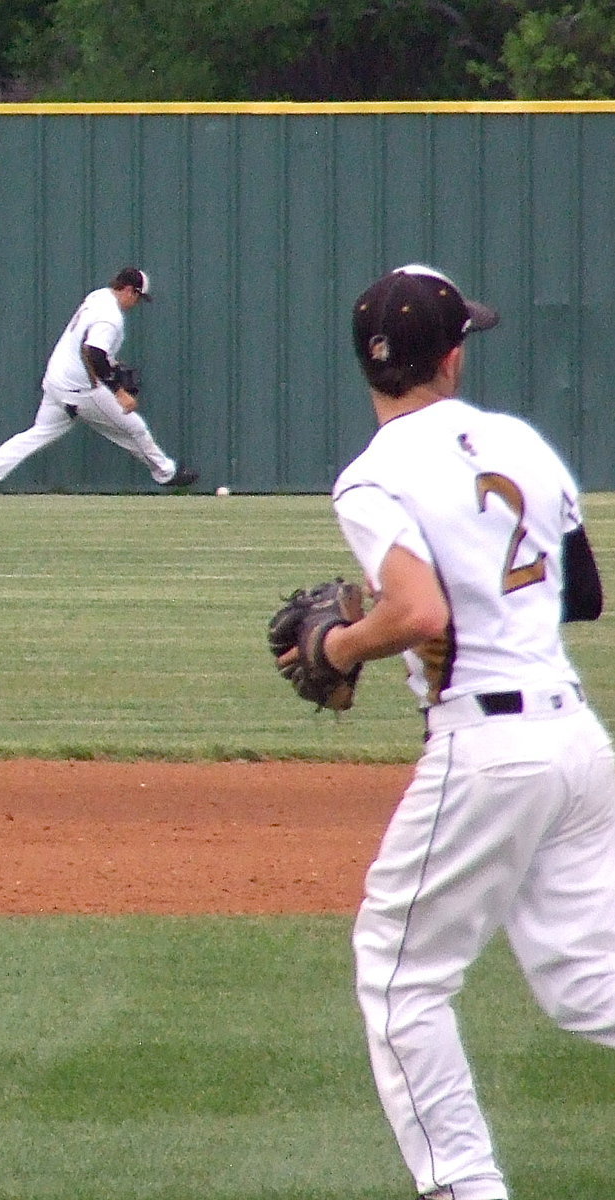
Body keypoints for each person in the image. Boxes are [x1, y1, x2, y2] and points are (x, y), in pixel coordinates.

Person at [320, 263, 615, 1200]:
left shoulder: (369, 477)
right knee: (589, 986)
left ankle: (464, 1188)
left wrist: (338, 646)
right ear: (450, 357)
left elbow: (419, 614)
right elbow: (587, 595)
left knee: (401, 978)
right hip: (575, 743)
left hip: (485, 752)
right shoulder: (518, 441)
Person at [0, 267, 198, 493]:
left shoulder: (98, 297)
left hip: (57, 378)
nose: (136, 303)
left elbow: (90, 347)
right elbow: (93, 352)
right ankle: (166, 473)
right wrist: (118, 390)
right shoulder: (111, 318)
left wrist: (111, 367)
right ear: (129, 290)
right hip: (79, 388)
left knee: (38, 433)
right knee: (133, 428)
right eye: (138, 297)